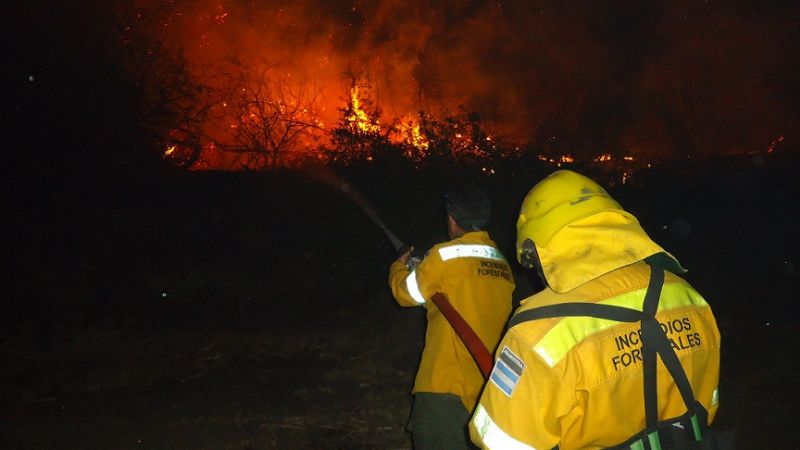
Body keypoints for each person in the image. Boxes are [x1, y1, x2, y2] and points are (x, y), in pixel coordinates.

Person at [469, 170, 722, 450]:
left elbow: (500, 443)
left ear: (535, 252)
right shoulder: (691, 299)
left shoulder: (536, 332)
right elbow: (707, 403)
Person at [389, 185, 515, 449]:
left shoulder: (442, 256)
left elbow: (406, 294)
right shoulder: (502, 264)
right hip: (486, 385)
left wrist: (399, 267)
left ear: (451, 219)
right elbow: (462, 301)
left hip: (444, 384)